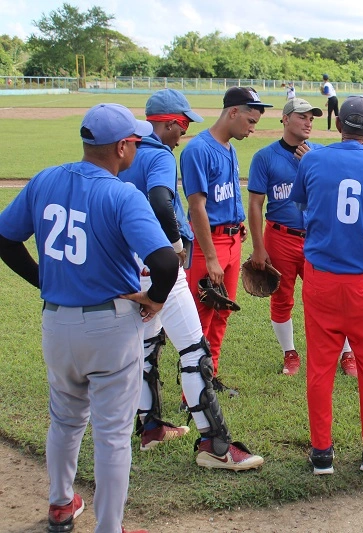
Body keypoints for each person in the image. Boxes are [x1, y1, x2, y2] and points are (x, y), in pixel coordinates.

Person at [0, 103, 177, 533]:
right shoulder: (121, 194)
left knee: (64, 419)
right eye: (134, 141)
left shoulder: (46, 179)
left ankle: (61, 505)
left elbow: (6, 239)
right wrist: (154, 299)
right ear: (120, 147)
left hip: (58, 323)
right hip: (110, 327)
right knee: (113, 434)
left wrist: (45, 280)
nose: (137, 146)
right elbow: (166, 262)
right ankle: (109, 527)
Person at [119, 89, 264, 469]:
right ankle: (214, 446)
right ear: (167, 122)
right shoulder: (158, 155)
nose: (183, 131)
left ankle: (150, 428)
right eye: (181, 123)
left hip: (125, 263)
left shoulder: (122, 153)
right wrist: (173, 244)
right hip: (157, 262)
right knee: (192, 350)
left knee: (147, 348)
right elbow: (163, 201)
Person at [289, 95, 363, 475]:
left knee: (320, 368)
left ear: (338, 125)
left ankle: (322, 452)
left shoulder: (312, 158)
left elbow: (301, 203)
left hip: (321, 279)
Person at [248, 98, 357, 377]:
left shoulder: (320, 153)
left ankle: (347, 353)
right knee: (282, 297)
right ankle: (290, 353)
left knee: (331, 297)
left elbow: (339, 190)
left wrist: (310, 161)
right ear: (285, 119)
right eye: (302, 116)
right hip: (280, 236)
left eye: (312, 117)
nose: (308, 122)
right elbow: (256, 205)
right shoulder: (265, 157)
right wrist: (258, 248)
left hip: (318, 238)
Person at [180, 86, 272, 395]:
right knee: (201, 319)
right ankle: (190, 393)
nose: (252, 128)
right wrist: (209, 257)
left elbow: (227, 196)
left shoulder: (229, 147)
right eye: (250, 120)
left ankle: (210, 376)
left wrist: (238, 225)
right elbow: (197, 207)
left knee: (222, 312)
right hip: (211, 246)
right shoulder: (198, 149)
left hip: (231, 241)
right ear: (233, 112)